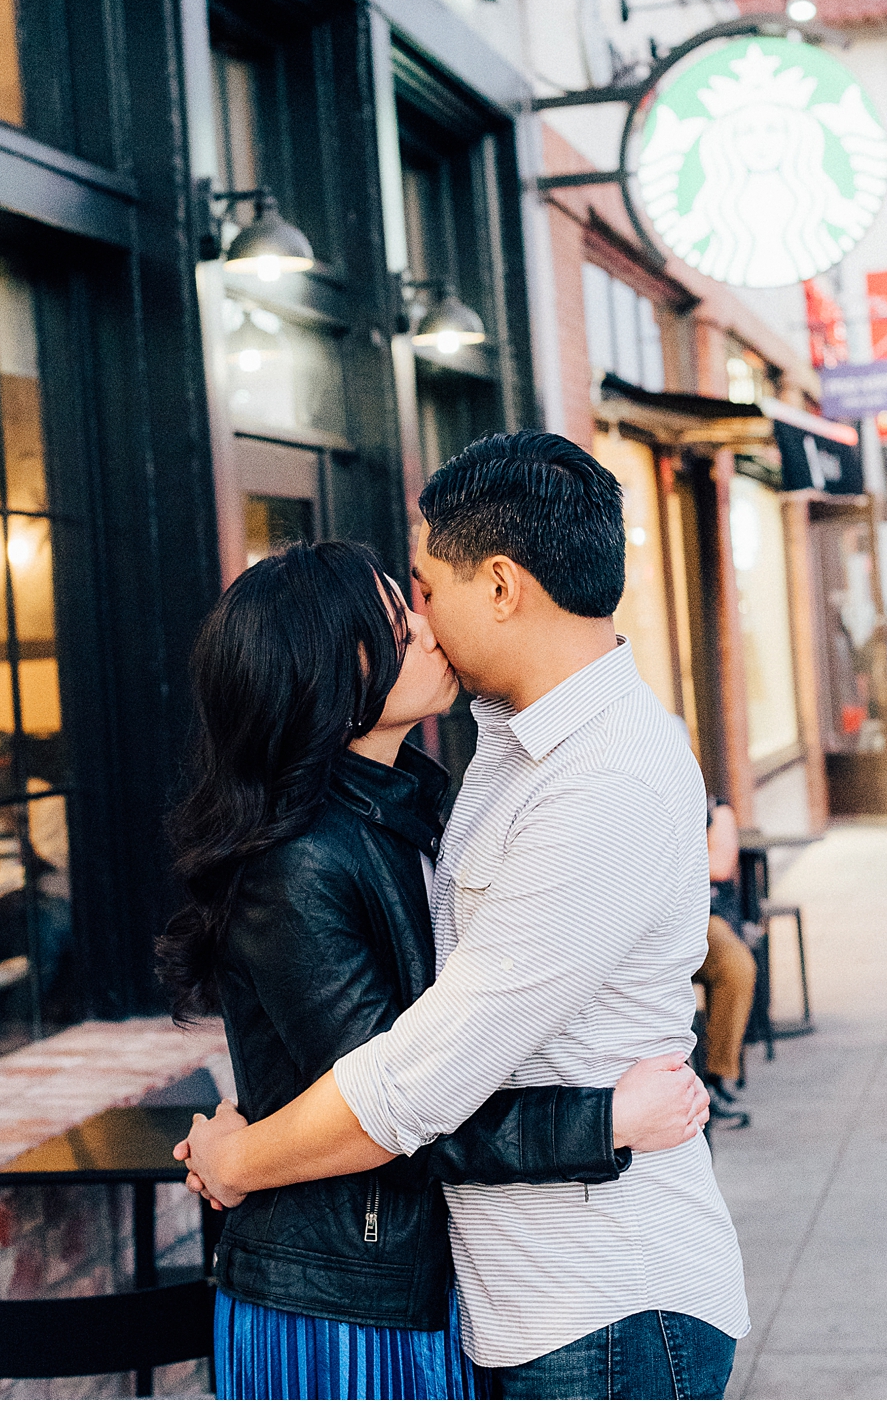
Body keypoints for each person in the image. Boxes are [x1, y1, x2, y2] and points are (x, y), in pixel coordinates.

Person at [181, 432, 749, 1401]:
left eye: (422, 588)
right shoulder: (497, 753)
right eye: (398, 613)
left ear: (499, 585)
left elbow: (415, 1081)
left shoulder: (598, 779)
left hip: (597, 1298)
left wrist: (241, 1157)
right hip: (498, 1297)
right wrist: (601, 1117)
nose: (425, 622)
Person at [694, 799, 756, 1128]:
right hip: (643, 924)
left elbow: (718, 865)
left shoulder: (715, 807)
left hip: (702, 917)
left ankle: (714, 1081)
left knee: (736, 965)